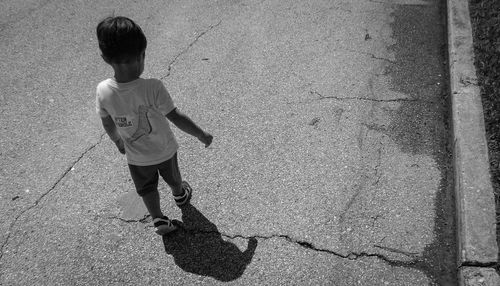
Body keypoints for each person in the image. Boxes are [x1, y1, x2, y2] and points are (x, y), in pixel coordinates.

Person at [95, 16, 213, 235]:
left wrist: (118, 141)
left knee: (147, 188)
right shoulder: (153, 87)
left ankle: (159, 219)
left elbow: (106, 120)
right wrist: (201, 134)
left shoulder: (103, 90)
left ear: (104, 58)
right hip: (164, 150)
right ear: (143, 55)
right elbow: (175, 116)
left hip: (136, 157)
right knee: (174, 177)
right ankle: (179, 195)